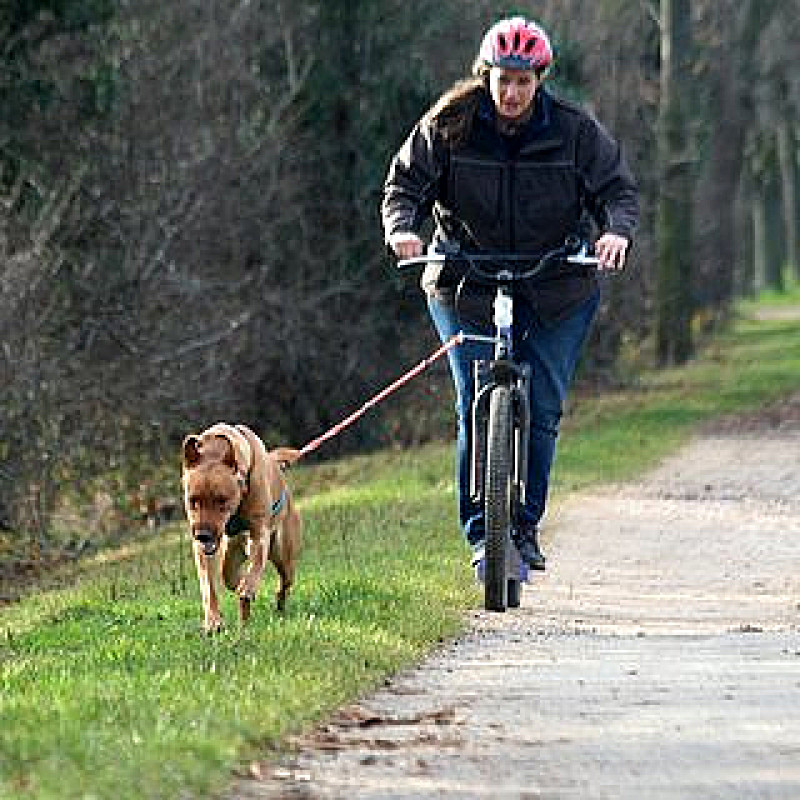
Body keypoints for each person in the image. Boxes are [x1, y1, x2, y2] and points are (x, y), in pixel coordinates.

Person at [381, 16, 639, 573]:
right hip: (465, 284)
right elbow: (404, 184)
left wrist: (615, 231)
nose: (512, 91)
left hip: (556, 287)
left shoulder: (574, 131)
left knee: (542, 407)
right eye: (503, 78)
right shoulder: (448, 123)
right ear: (485, 75)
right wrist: (403, 228)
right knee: (474, 402)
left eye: (524, 80)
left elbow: (616, 189)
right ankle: (482, 536)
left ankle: (523, 528)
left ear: (541, 79)